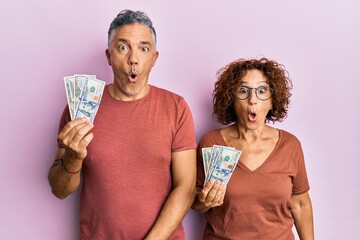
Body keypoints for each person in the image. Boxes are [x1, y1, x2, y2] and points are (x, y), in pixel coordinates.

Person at [48, 9, 197, 240]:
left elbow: (186, 188)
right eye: (123, 47)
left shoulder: (176, 107)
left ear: (154, 58)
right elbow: (59, 189)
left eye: (143, 48)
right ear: (109, 56)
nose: (133, 59)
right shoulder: (79, 109)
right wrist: (73, 158)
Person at [192, 58, 314, 239]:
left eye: (262, 91)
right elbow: (194, 202)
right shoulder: (212, 142)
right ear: (231, 99)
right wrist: (204, 201)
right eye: (243, 91)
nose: (252, 100)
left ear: (273, 100)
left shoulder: (290, 145)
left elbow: (301, 204)